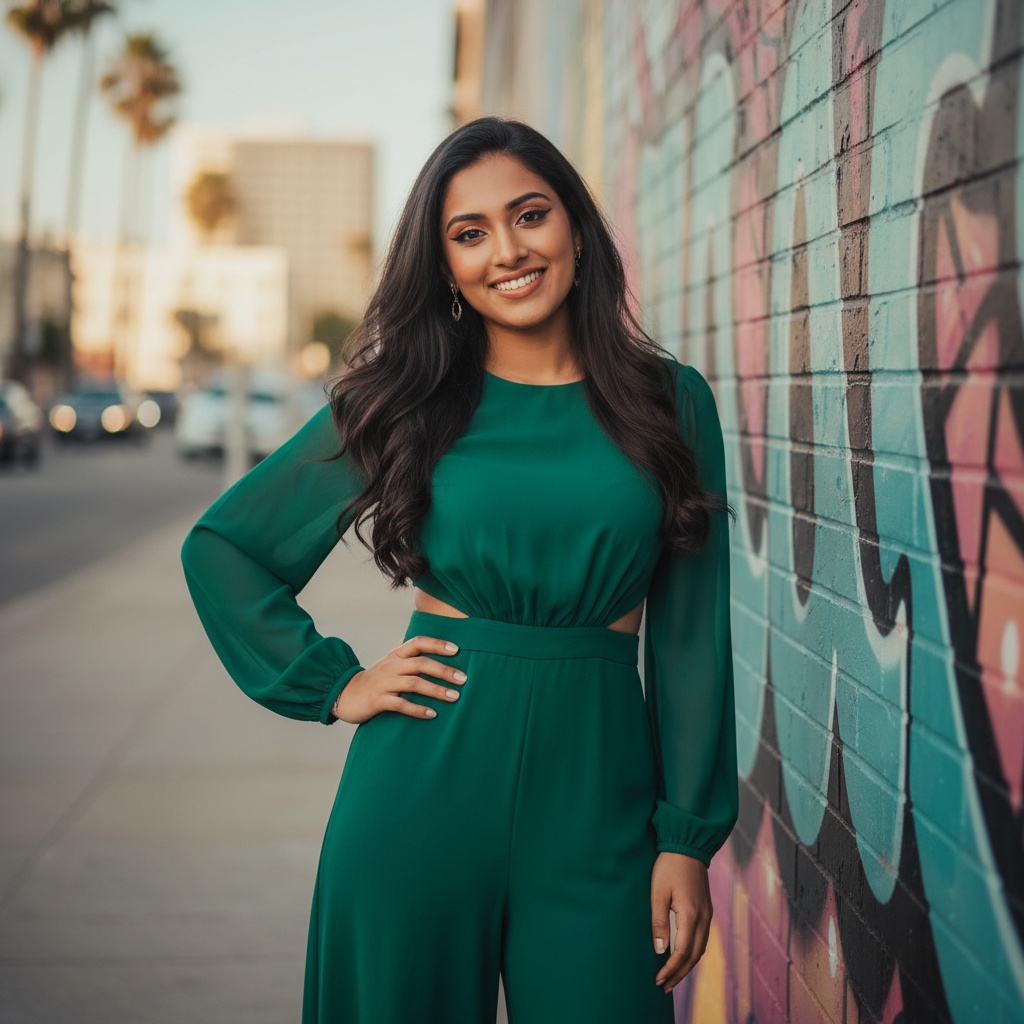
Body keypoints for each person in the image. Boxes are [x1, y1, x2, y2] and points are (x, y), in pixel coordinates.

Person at [180, 115, 737, 1024]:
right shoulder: (404, 398)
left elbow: (690, 639)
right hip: (423, 784)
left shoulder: (670, 403)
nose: (507, 252)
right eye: (468, 234)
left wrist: (686, 837)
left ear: (576, 229)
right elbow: (226, 547)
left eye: (530, 215)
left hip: (602, 802)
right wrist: (335, 683)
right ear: (442, 266)